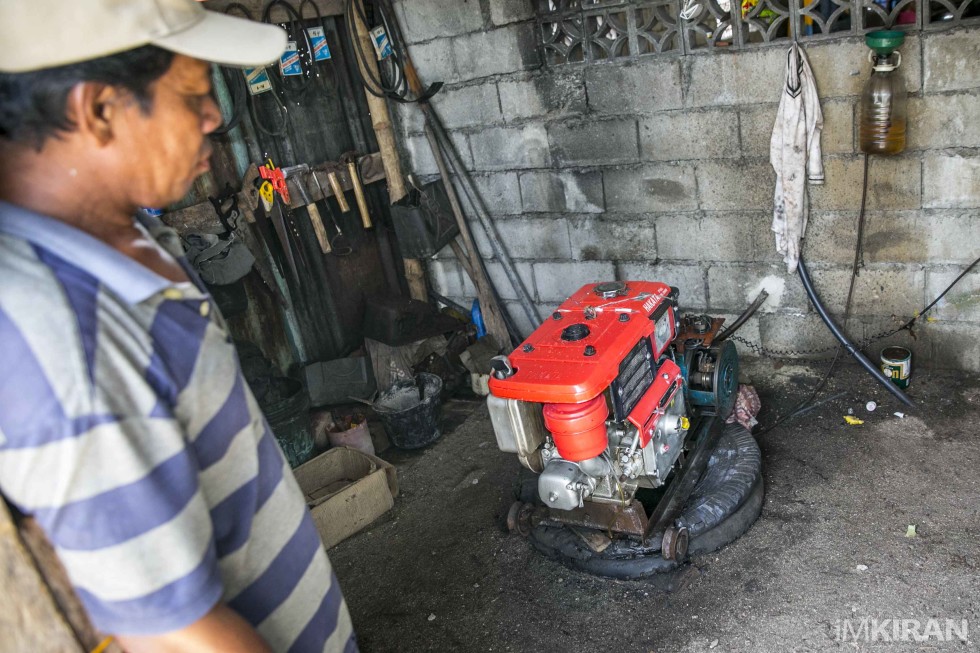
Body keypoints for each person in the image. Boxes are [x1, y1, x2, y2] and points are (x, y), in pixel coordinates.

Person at [0, 1, 356, 651]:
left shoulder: (123, 231)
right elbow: (173, 637)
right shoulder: (67, 344)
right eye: (193, 92)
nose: (214, 116)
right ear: (98, 111)